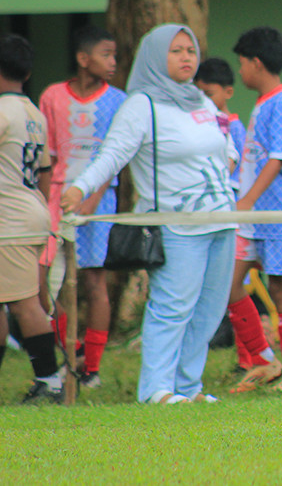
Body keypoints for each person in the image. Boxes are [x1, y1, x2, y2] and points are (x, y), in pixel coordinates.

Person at [62, 24, 237, 404]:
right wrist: (80, 188)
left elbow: (226, 147)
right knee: (173, 308)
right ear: (156, 56)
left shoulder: (202, 101)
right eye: (176, 50)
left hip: (222, 220)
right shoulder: (142, 105)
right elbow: (112, 154)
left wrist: (230, 158)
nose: (187, 57)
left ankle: (188, 388)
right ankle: (156, 390)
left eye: (190, 50)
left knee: (208, 311)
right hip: (176, 224)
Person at [38, 25, 127, 389]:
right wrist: (47, 202)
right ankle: (69, 352)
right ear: (83, 58)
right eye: (107, 55)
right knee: (46, 283)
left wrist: (91, 200)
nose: (113, 63)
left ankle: (91, 367)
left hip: (98, 202)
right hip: (57, 199)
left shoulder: (118, 101)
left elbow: (114, 157)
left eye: (115, 56)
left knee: (93, 281)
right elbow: (49, 155)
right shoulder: (53, 97)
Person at [226, 27, 282, 393]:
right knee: (227, 285)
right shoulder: (262, 102)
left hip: (280, 211)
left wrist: (246, 200)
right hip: (253, 216)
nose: (240, 70)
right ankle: (264, 359)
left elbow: (279, 157)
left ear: (256, 63)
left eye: (242, 63)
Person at [0, 34, 63, 404]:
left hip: (10, 220)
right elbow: (46, 172)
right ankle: (48, 380)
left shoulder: (3, 113)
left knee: (25, 303)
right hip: (29, 212)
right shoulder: (33, 113)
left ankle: (50, 382)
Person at [195, 57, 246, 194]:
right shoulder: (199, 123)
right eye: (199, 93)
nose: (204, 100)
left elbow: (241, 166)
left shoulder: (234, 127)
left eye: (209, 94)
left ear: (228, 92)